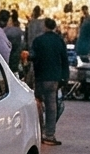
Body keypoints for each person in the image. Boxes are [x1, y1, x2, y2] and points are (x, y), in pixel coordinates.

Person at [29, 17, 70, 146]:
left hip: (40, 77)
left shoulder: (38, 41)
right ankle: (50, 134)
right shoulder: (59, 41)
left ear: (45, 26)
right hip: (54, 79)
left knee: (38, 104)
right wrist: (65, 78)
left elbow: (34, 57)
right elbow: (64, 60)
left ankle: (38, 131)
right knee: (52, 106)